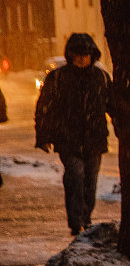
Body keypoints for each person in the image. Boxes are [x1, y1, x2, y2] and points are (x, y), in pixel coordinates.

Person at [34, 33, 114, 237]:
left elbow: (113, 106)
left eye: (85, 54)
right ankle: (77, 220)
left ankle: (85, 218)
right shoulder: (59, 78)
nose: (81, 58)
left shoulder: (101, 78)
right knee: (75, 177)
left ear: (92, 55)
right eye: (77, 54)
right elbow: (45, 108)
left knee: (90, 181)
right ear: (70, 55)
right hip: (68, 140)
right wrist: (43, 136)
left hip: (94, 140)